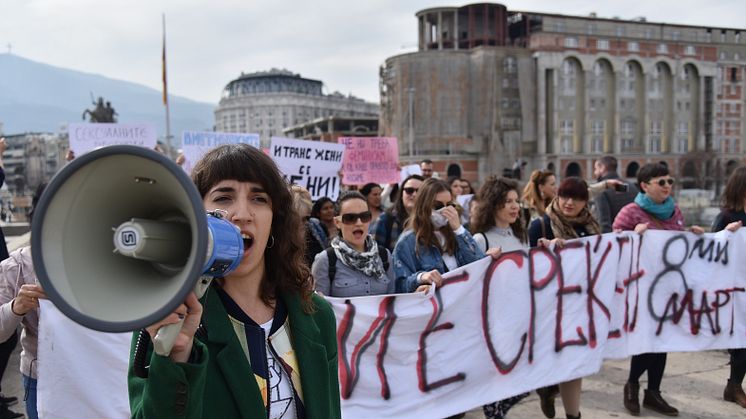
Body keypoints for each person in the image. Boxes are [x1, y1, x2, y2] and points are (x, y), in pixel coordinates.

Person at [128, 144, 341, 418]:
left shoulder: (316, 315)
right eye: (223, 198)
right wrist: (176, 357)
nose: (242, 214)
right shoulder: (168, 315)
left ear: (275, 219)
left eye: (259, 199)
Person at [613, 162, 703, 417]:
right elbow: (613, 247)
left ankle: (653, 392)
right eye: (661, 182)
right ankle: (631, 384)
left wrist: (690, 234)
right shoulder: (630, 212)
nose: (667, 187)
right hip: (641, 290)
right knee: (648, 341)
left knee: (664, 341)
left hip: (669, 289)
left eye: (669, 181)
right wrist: (632, 236)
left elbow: (675, 243)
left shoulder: (674, 211)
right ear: (644, 185)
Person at [528, 177, 601, 419]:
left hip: (579, 304)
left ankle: (573, 414)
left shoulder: (590, 226)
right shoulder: (541, 225)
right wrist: (545, 248)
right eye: (565, 196)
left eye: (577, 198)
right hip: (549, 307)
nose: (570, 203)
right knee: (553, 362)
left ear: (585, 202)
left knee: (574, 364)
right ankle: (548, 388)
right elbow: (526, 267)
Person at [470, 176, 529, 419]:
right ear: (494, 205)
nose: (515, 206)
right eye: (508, 202)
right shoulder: (480, 240)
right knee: (496, 383)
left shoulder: (522, 238)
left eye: (517, 201)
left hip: (521, 320)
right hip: (495, 324)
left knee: (525, 380)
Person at [0, 183, 48, 419]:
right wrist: (15, 308)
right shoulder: (19, 266)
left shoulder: (109, 263)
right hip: (40, 376)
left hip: (99, 375)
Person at [392, 178, 485, 294]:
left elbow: (479, 267)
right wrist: (420, 277)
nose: (445, 210)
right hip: (434, 308)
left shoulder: (457, 234)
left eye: (449, 205)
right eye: (437, 205)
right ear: (424, 205)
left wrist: (459, 230)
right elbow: (398, 285)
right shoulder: (407, 241)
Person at [312, 191, 394, 297]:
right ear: (337, 222)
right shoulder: (325, 260)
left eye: (364, 216)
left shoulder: (384, 256)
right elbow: (320, 309)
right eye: (350, 218)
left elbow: (392, 303)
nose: (359, 223)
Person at [711, 165, 746, 409]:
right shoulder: (726, 217)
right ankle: (734, 386)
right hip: (733, 290)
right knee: (741, 341)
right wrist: (725, 234)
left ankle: (734, 385)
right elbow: (708, 250)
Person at [374, 174, 424, 251]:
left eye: (420, 191)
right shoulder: (385, 219)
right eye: (409, 190)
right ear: (401, 194)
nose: (414, 194)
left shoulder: (433, 221)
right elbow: (374, 253)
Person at [593, 156, 638, 233]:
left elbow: (604, 223)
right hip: (634, 236)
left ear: (602, 168)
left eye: (596, 169)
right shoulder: (632, 186)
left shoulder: (601, 190)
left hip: (616, 238)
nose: (595, 172)